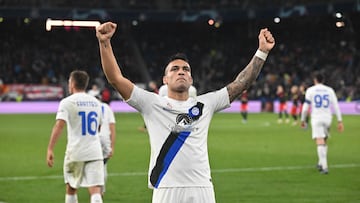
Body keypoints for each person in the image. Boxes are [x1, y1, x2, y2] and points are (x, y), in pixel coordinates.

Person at [96, 22, 275, 203]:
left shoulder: (206, 103)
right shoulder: (152, 103)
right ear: (165, 79)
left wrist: (262, 52)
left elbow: (241, 83)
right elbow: (116, 79)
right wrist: (104, 43)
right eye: (175, 69)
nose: (181, 71)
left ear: (191, 79)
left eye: (185, 69)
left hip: (202, 188)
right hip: (166, 188)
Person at [46, 70, 105, 203]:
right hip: (95, 152)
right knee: (95, 190)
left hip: (76, 152)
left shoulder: (67, 102)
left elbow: (59, 126)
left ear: (72, 83)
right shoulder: (96, 102)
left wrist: (50, 149)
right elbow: (99, 128)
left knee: (71, 188)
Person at [300, 73, 344, 174]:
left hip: (316, 118)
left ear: (315, 80)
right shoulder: (329, 90)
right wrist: (340, 121)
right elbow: (336, 106)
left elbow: (305, 108)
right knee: (324, 139)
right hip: (328, 118)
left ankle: (324, 167)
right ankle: (320, 162)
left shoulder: (310, 90)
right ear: (323, 80)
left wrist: (303, 120)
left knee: (319, 141)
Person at [96, 94, 116, 196]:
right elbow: (112, 127)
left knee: (95, 165)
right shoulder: (107, 108)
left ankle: (95, 188)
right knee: (103, 165)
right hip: (105, 140)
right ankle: (101, 190)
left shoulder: (92, 107)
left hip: (93, 140)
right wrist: (112, 146)